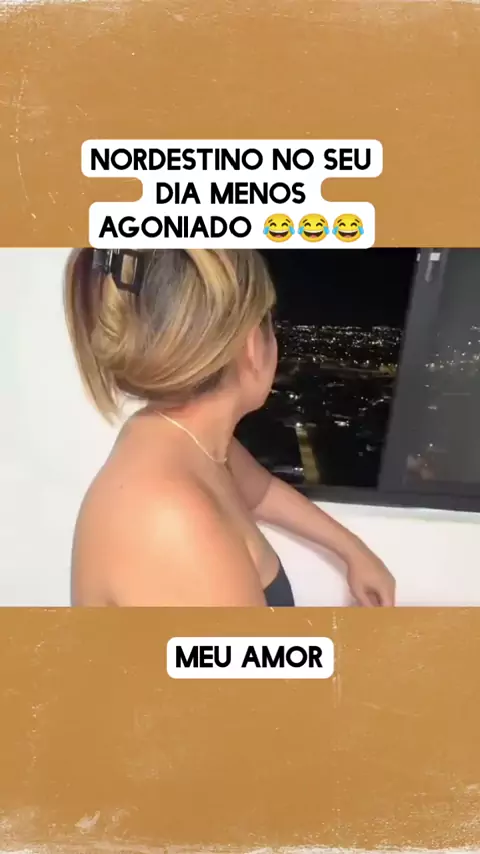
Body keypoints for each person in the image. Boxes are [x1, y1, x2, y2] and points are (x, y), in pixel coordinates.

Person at [64, 248, 396, 607]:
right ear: (252, 343)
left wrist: (353, 550)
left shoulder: (183, 437)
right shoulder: (172, 520)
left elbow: (262, 491)